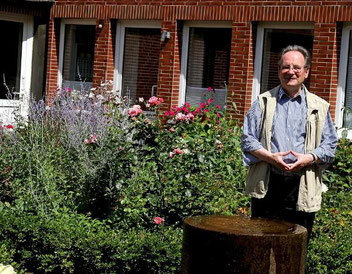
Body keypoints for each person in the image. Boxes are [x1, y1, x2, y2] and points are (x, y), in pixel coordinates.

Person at [241, 45, 338, 240]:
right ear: (278, 71)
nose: (291, 72)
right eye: (286, 67)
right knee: (261, 243)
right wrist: (270, 157)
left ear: (306, 72)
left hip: (302, 185)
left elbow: (330, 145)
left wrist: (309, 158)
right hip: (268, 184)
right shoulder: (262, 102)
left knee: (298, 245)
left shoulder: (319, 106)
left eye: (296, 67)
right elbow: (247, 139)